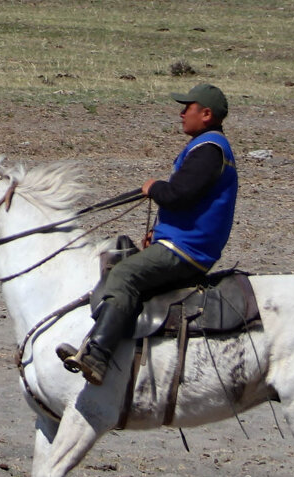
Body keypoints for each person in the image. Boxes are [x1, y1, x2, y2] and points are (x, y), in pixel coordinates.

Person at [58, 83, 238, 386]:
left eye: (187, 108)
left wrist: (153, 187)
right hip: (181, 243)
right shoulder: (207, 147)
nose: (181, 114)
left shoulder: (209, 150)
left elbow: (178, 195)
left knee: (126, 273)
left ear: (206, 114)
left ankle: (98, 355)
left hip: (187, 249)